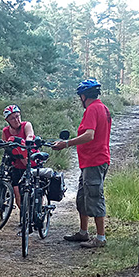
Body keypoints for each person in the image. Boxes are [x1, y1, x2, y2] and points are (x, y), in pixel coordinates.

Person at [53, 79, 111, 248]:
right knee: (82, 197)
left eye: (80, 96)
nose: (80, 100)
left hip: (95, 160)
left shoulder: (93, 109)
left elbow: (89, 135)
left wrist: (66, 144)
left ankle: (100, 238)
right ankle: (83, 232)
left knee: (94, 196)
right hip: (90, 161)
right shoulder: (103, 108)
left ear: (84, 96)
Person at [1, 104, 35, 213]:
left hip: (30, 161)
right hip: (16, 164)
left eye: (17, 116)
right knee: (17, 193)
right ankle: (25, 215)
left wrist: (27, 141)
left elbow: (30, 135)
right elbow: (5, 147)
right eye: (12, 118)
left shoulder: (26, 125)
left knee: (33, 188)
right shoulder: (5, 131)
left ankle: (35, 211)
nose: (16, 120)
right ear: (7, 120)